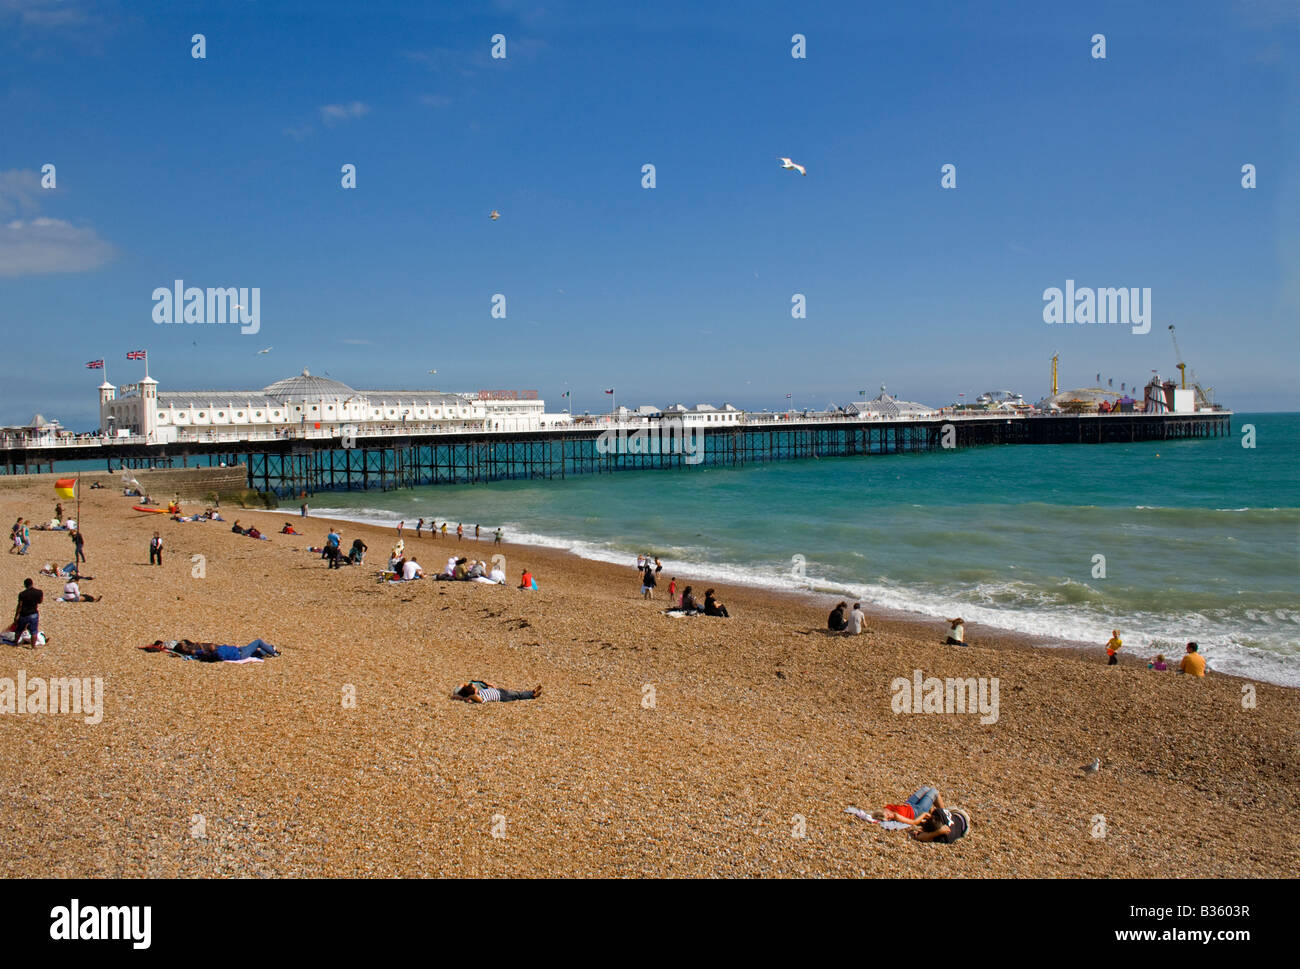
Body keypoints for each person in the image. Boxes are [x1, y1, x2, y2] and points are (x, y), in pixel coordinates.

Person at [13, 578, 43, 648]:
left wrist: (16, 615)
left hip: (24, 614)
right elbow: (40, 601)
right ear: (32, 584)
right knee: (34, 631)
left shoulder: (22, 594)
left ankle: (15, 642)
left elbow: (20, 605)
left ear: (25, 585)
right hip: (33, 613)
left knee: (19, 629)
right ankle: (33, 646)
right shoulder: (39, 592)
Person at [453, 680, 542, 703]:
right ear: (472, 693)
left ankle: (531, 692)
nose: (475, 687)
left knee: (516, 692)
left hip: (499, 691)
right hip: (502, 697)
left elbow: (462, 684)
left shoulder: (479, 693)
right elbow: (460, 697)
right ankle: (532, 695)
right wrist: (465, 696)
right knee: (517, 695)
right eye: (474, 687)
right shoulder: (477, 697)